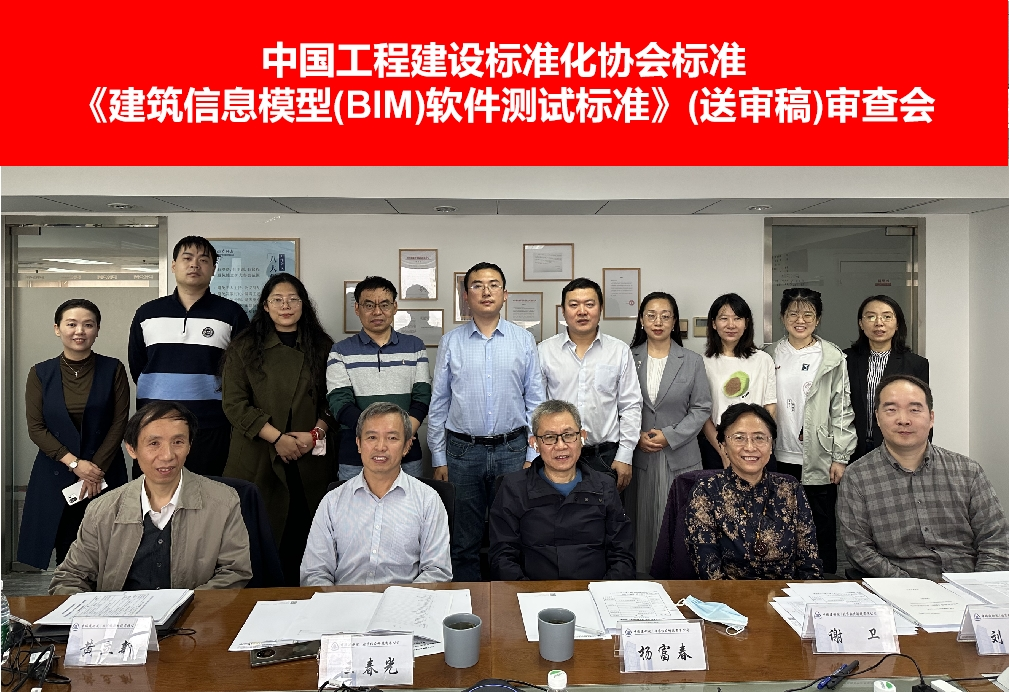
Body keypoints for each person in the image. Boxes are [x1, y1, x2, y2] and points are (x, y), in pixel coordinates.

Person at [50, 401, 252, 594]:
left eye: (178, 442)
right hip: (120, 616)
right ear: (132, 449)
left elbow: (234, 572)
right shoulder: (102, 509)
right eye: (154, 443)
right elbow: (70, 577)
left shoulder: (223, 501)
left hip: (194, 615)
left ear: (189, 445)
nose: (167, 455)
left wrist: (188, 607)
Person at [428, 262, 545, 581]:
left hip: (513, 450)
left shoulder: (523, 340)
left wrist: (532, 454)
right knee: (463, 539)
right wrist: (439, 457)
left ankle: (508, 599)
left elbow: (536, 401)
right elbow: (439, 402)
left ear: (505, 294)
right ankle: (469, 601)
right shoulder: (451, 341)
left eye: (493, 285)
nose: (486, 291)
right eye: (477, 285)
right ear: (466, 296)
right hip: (462, 453)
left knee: (512, 535)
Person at [221, 273, 334, 586]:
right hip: (259, 455)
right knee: (261, 540)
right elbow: (234, 404)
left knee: (307, 540)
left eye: (293, 299)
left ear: (303, 304)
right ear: (265, 306)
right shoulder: (244, 347)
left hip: (309, 457)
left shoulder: (323, 346)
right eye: (278, 300)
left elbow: (335, 400)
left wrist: (315, 434)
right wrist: (277, 438)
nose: (286, 306)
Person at [838, 375, 1009, 578]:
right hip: (898, 588)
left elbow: (996, 541)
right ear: (877, 418)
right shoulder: (857, 477)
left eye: (914, 409)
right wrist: (910, 587)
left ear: (931, 418)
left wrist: (979, 586)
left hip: (968, 584)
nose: (903, 420)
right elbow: (859, 549)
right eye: (891, 410)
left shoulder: (968, 471)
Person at [19, 299, 130, 570]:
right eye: (71, 324)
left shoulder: (113, 369)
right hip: (57, 470)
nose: (79, 331)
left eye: (88, 325)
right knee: (66, 548)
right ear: (57, 329)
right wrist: (75, 464)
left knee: (108, 547)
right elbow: (36, 428)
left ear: (97, 330)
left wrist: (94, 470)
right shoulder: (40, 373)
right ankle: (68, 593)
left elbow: (119, 423)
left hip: (104, 471)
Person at [128, 236, 251, 477]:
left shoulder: (231, 313)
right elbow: (138, 366)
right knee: (153, 493)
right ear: (174, 265)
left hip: (210, 426)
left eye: (203, 260)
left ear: (213, 269)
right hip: (154, 423)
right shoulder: (147, 313)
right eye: (187, 258)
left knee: (208, 493)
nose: (195, 264)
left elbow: (241, 371)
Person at [301, 402, 452, 585]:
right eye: (372, 437)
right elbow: (314, 573)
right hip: (344, 600)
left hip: (405, 600)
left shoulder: (428, 500)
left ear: (407, 446)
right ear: (358, 444)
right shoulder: (332, 502)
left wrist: (403, 601)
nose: (380, 447)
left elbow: (437, 571)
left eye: (392, 438)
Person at [489, 399, 635, 580]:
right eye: (549, 437)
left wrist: (603, 591)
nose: (561, 446)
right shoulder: (513, 488)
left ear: (582, 437)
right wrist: (529, 592)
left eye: (568, 435)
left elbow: (622, 555)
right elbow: (502, 557)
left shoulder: (605, 486)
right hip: (533, 592)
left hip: (594, 591)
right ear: (534, 443)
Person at [764, 288, 855, 575]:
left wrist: (840, 456)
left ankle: (822, 580)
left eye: (808, 314)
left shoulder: (832, 357)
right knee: (778, 521)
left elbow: (842, 409)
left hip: (819, 455)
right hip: (776, 454)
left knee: (819, 523)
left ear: (818, 319)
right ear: (782, 317)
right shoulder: (768, 354)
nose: (800, 320)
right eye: (793, 313)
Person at [686, 403, 822, 580]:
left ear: (771, 445)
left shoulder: (790, 489)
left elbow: (809, 564)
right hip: (727, 595)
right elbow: (710, 574)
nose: (750, 447)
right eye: (739, 438)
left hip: (786, 594)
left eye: (759, 438)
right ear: (723, 445)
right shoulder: (706, 491)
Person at [626, 292, 711, 571]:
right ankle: (641, 583)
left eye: (665, 316)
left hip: (680, 456)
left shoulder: (692, 360)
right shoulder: (627, 357)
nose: (658, 322)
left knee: (678, 524)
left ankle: (677, 582)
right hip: (639, 455)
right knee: (641, 523)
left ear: (674, 322)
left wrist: (670, 436)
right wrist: (635, 436)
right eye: (651, 315)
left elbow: (701, 408)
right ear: (641, 320)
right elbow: (616, 404)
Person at [537, 277, 642, 491]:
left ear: (600, 309)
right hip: (557, 454)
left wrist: (625, 454)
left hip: (604, 457)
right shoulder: (544, 351)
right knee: (555, 512)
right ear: (563, 311)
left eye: (589, 304)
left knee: (605, 512)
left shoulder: (619, 351)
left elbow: (631, 406)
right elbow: (536, 406)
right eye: (574, 305)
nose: (582, 311)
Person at [327, 276, 431, 482]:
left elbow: (422, 398)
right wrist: (375, 437)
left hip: (406, 451)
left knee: (410, 502)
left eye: (384, 304)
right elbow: (339, 403)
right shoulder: (340, 351)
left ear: (395, 307)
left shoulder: (415, 347)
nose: (377, 312)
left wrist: (402, 436)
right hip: (355, 454)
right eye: (369, 305)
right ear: (357, 308)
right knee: (353, 503)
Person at [843, 295, 929, 461]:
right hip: (852, 449)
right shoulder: (845, 360)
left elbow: (921, 410)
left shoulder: (915, 364)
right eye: (871, 317)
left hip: (897, 449)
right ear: (861, 323)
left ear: (897, 324)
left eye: (887, 317)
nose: (879, 323)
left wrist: (921, 454)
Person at [700, 293, 777, 470]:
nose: (731, 325)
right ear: (713, 323)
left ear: (746, 323)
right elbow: (703, 414)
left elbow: (770, 406)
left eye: (737, 318)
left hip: (757, 447)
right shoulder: (703, 363)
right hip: (717, 446)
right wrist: (723, 451)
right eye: (724, 318)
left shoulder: (763, 360)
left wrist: (760, 442)